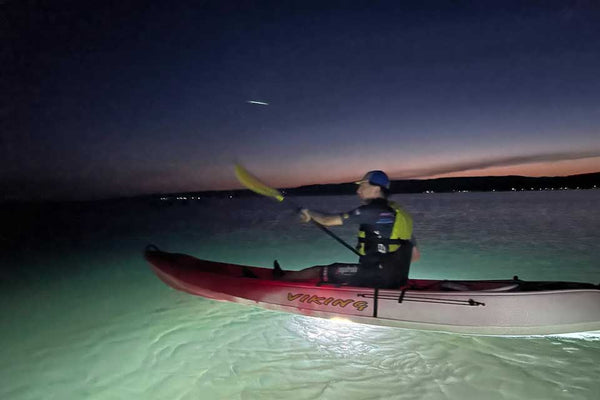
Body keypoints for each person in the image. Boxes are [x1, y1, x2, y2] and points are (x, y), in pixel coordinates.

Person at [275, 170, 420, 289]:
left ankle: (277, 282)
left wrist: (308, 213)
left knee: (317, 271)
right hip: (397, 278)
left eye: (363, 185)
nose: (358, 191)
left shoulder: (372, 210)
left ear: (376, 189)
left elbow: (327, 221)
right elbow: (415, 256)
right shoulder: (400, 214)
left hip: (376, 277)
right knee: (348, 271)